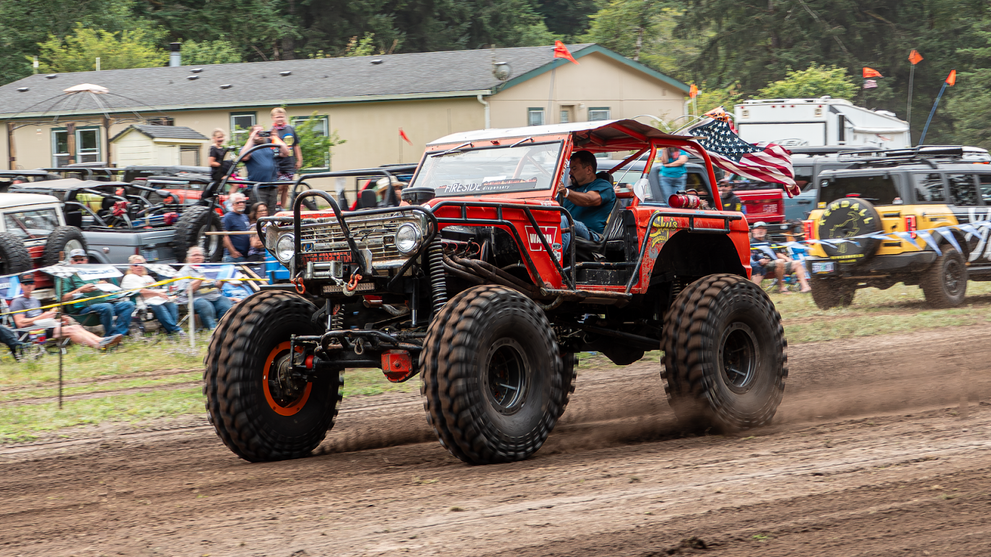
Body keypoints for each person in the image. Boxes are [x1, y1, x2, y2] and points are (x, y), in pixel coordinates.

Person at [11, 272, 122, 350]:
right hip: (32, 332)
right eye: (26, 283)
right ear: (21, 285)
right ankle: (99, 346)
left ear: (34, 285)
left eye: (31, 283)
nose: (28, 286)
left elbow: (40, 318)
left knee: (76, 327)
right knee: (70, 330)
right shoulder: (17, 301)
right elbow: (20, 323)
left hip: (43, 327)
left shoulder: (34, 300)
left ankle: (102, 340)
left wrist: (54, 318)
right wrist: (42, 317)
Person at [61, 249, 134, 337]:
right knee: (107, 307)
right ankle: (109, 336)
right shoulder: (67, 276)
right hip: (85, 308)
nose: (79, 262)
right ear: (71, 262)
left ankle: (118, 334)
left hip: (105, 302)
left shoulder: (91, 272)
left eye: (82, 259)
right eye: (76, 260)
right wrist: (81, 290)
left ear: (86, 260)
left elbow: (105, 290)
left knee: (129, 304)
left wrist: (105, 287)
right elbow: (63, 298)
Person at [555, 150, 617, 251]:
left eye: (574, 168)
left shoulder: (603, 186)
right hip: (571, 229)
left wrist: (567, 192)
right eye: (570, 169)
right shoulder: (571, 189)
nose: (570, 172)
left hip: (591, 234)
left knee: (565, 220)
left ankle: (553, 261)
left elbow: (590, 199)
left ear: (588, 170)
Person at [120, 255, 184, 337]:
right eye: (136, 265)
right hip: (142, 301)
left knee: (172, 305)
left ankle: (170, 331)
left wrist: (167, 291)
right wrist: (158, 294)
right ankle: (175, 330)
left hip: (157, 299)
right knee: (159, 307)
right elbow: (141, 291)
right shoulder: (129, 277)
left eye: (141, 264)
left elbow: (157, 288)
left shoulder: (148, 277)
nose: (139, 267)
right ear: (131, 267)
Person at [176, 246, 234, 330]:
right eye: (194, 255)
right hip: (195, 299)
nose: (197, 257)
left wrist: (223, 279)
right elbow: (188, 291)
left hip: (213, 296)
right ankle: (211, 329)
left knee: (225, 303)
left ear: (203, 257)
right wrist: (200, 279)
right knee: (205, 305)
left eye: (199, 255)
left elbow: (217, 286)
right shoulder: (183, 272)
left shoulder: (208, 268)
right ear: (188, 258)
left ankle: (224, 329)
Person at [239, 125, 290, 211]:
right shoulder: (249, 148)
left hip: (272, 187)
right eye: (258, 133)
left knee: (272, 215)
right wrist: (252, 138)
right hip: (257, 188)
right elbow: (243, 156)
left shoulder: (269, 147)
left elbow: (285, 153)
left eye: (262, 132)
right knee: (260, 213)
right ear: (251, 134)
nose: (260, 135)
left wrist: (275, 137)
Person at [750, 222, 811, 293]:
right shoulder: (751, 244)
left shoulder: (769, 242)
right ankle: (781, 287)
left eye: (763, 229)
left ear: (766, 231)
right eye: (758, 228)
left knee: (797, 263)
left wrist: (788, 259)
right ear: (753, 230)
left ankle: (805, 287)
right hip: (762, 266)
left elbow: (778, 254)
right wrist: (760, 261)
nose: (761, 230)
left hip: (777, 263)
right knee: (780, 261)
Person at [270, 107, 302, 210]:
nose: (280, 119)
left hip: (289, 162)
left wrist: (299, 159)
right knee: (279, 186)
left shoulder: (290, 129)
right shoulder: (272, 131)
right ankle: (274, 206)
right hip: (277, 162)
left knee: (286, 187)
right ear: (273, 118)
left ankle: (283, 207)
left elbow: (296, 145)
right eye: (277, 117)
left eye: (282, 116)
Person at [221, 193, 251, 262]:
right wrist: (232, 252)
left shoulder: (245, 217)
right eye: (238, 203)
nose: (241, 204)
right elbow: (224, 235)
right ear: (232, 204)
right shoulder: (228, 217)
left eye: (243, 202)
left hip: (244, 256)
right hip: (232, 257)